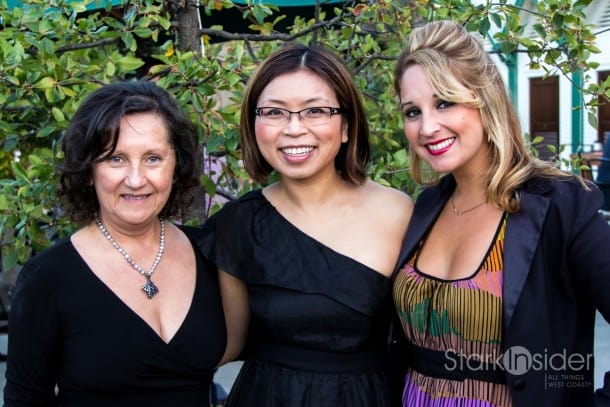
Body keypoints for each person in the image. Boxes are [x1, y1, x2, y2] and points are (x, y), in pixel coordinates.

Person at [391, 20, 610, 406]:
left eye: (444, 102)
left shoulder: (563, 205)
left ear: (485, 99)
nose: (427, 126)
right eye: (413, 111)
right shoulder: (425, 208)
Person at [196, 43, 414, 406]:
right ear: (254, 124)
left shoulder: (398, 212)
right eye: (275, 112)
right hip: (267, 396)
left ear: (346, 126)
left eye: (315, 111)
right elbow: (228, 344)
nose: (294, 128)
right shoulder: (236, 226)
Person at [4, 81, 235, 405]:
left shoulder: (209, 255)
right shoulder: (49, 278)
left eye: (153, 158)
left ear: (176, 166)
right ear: (88, 170)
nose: (136, 179)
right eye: (116, 159)